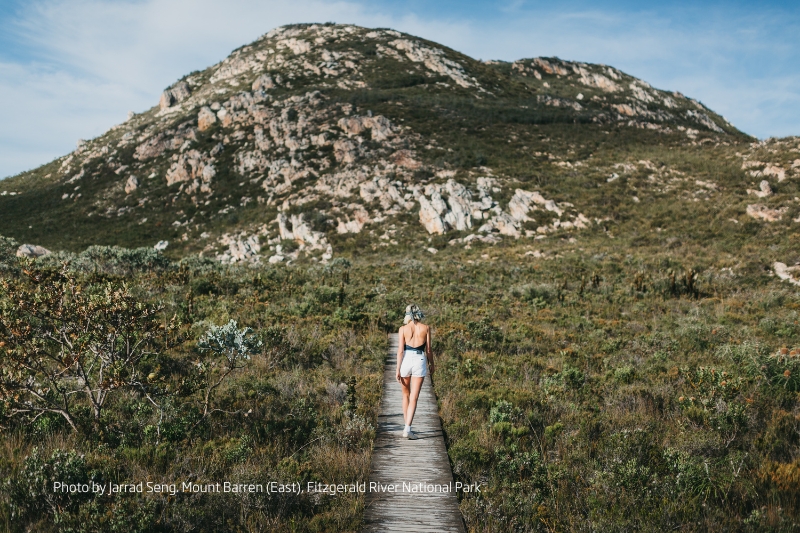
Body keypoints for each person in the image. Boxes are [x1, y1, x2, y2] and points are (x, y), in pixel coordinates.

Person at [396, 304, 433, 439]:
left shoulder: (403, 329)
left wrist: (397, 369)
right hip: (420, 359)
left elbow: (400, 351)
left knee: (405, 395)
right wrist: (432, 364)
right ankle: (408, 428)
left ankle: (407, 427)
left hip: (406, 359)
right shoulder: (426, 328)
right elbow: (428, 350)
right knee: (414, 397)